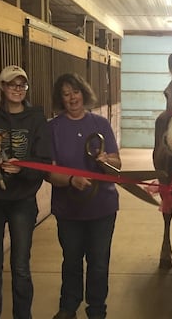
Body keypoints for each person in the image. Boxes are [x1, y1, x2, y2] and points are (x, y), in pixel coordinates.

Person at [0, 65, 52, 319]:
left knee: (21, 267)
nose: (17, 89)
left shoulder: (37, 120)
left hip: (22, 201)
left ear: (26, 88)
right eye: (11, 84)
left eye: (21, 85)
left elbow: (44, 160)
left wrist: (22, 170)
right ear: (1, 87)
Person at [47, 73, 121, 319]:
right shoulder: (53, 128)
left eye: (75, 91)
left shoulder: (100, 124)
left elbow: (117, 163)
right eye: (66, 94)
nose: (72, 98)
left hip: (102, 207)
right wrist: (70, 180)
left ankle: (97, 309)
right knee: (71, 261)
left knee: (99, 263)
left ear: (84, 92)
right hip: (69, 209)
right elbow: (50, 172)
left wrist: (106, 161)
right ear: (61, 99)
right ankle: (69, 307)